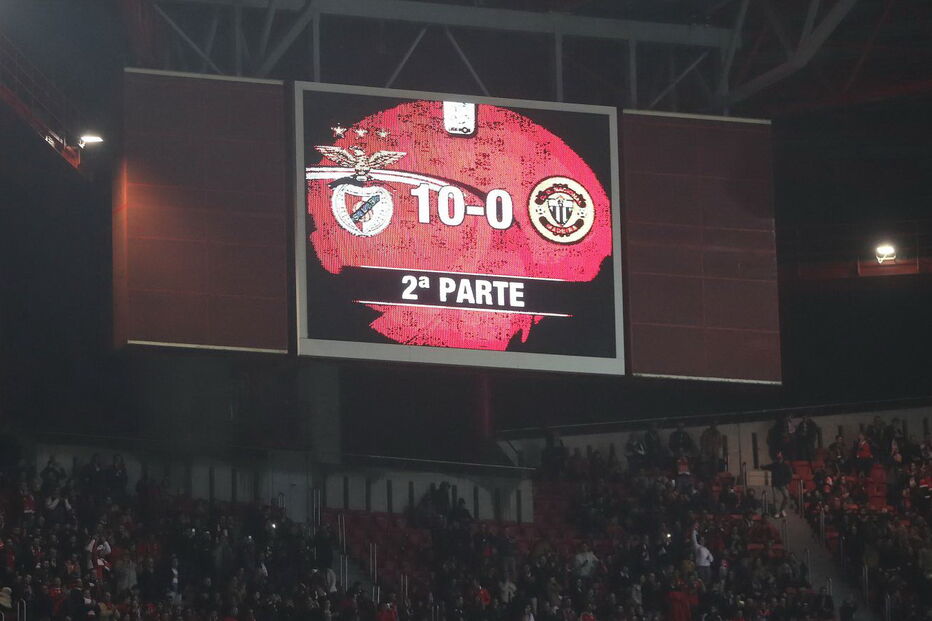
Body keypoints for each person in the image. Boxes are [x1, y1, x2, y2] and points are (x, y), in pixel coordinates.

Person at [762, 453, 793, 517]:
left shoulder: (786, 466)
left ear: (782, 458)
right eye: (778, 457)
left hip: (783, 484)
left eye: (780, 457)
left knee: (786, 497)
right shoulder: (774, 465)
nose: (779, 459)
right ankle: (777, 512)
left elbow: (789, 476)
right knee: (776, 499)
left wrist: (787, 482)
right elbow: (767, 467)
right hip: (775, 484)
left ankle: (782, 509)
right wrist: (762, 466)